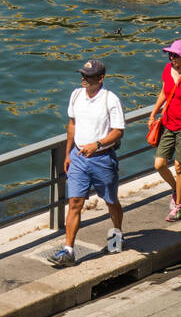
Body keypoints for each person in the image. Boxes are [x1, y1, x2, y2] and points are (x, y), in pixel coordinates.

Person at [49, 59, 126, 268]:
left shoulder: (110, 100)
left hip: (102, 159)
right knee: (74, 203)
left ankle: (117, 233)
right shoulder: (76, 95)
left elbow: (118, 130)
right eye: (82, 75)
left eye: (88, 76)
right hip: (78, 158)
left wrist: (98, 144)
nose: (84, 78)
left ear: (100, 78)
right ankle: (68, 250)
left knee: (111, 201)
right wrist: (68, 154)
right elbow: (72, 125)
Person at [147, 39, 181, 221]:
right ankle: (178, 188)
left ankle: (178, 205)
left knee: (180, 167)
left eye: (175, 55)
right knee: (159, 164)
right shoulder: (167, 70)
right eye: (170, 55)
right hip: (168, 125)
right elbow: (164, 93)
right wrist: (153, 113)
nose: (172, 58)